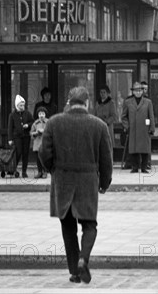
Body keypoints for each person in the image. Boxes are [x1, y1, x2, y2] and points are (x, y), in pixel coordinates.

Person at [39, 86, 112, 284]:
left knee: (68, 227)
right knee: (90, 225)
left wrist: (53, 169)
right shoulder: (99, 125)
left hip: (63, 181)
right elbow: (106, 160)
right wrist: (104, 183)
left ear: (69, 102)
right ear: (87, 103)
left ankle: (74, 271)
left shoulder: (54, 122)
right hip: (88, 181)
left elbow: (44, 153)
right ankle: (83, 259)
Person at [121, 81, 155, 174]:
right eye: (136, 91)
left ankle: (144, 167)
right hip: (133, 129)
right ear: (133, 92)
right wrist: (127, 126)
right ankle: (135, 167)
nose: (138, 92)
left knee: (145, 149)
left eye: (140, 90)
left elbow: (151, 116)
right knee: (133, 149)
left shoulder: (148, 102)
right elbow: (124, 116)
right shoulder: (128, 102)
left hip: (144, 128)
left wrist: (152, 128)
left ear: (142, 91)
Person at [8, 95, 34, 178]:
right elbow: (10, 128)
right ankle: (13, 168)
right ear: (16, 105)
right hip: (17, 137)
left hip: (26, 136)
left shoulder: (27, 113)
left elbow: (32, 122)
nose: (22, 107)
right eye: (20, 105)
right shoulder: (12, 115)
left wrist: (28, 125)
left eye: (23, 105)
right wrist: (10, 139)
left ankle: (24, 171)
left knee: (25, 154)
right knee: (18, 152)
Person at [94, 85, 117, 149]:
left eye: (104, 92)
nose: (102, 94)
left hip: (107, 126)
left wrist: (107, 122)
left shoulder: (111, 103)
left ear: (107, 93)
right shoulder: (98, 103)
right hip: (98, 126)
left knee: (108, 145)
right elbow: (95, 114)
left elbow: (114, 116)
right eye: (101, 92)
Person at [30, 107, 49, 179]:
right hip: (37, 144)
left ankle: (45, 172)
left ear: (45, 115)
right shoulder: (35, 123)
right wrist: (36, 132)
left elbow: (51, 132)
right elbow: (31, 133)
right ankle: (39, 172)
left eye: (43, 114)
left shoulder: (48, 122)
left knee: (44, 159)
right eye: (40, 114)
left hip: (45, 144)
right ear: (38, 115)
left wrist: (44, 131)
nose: (41, 115)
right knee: (38, 159)